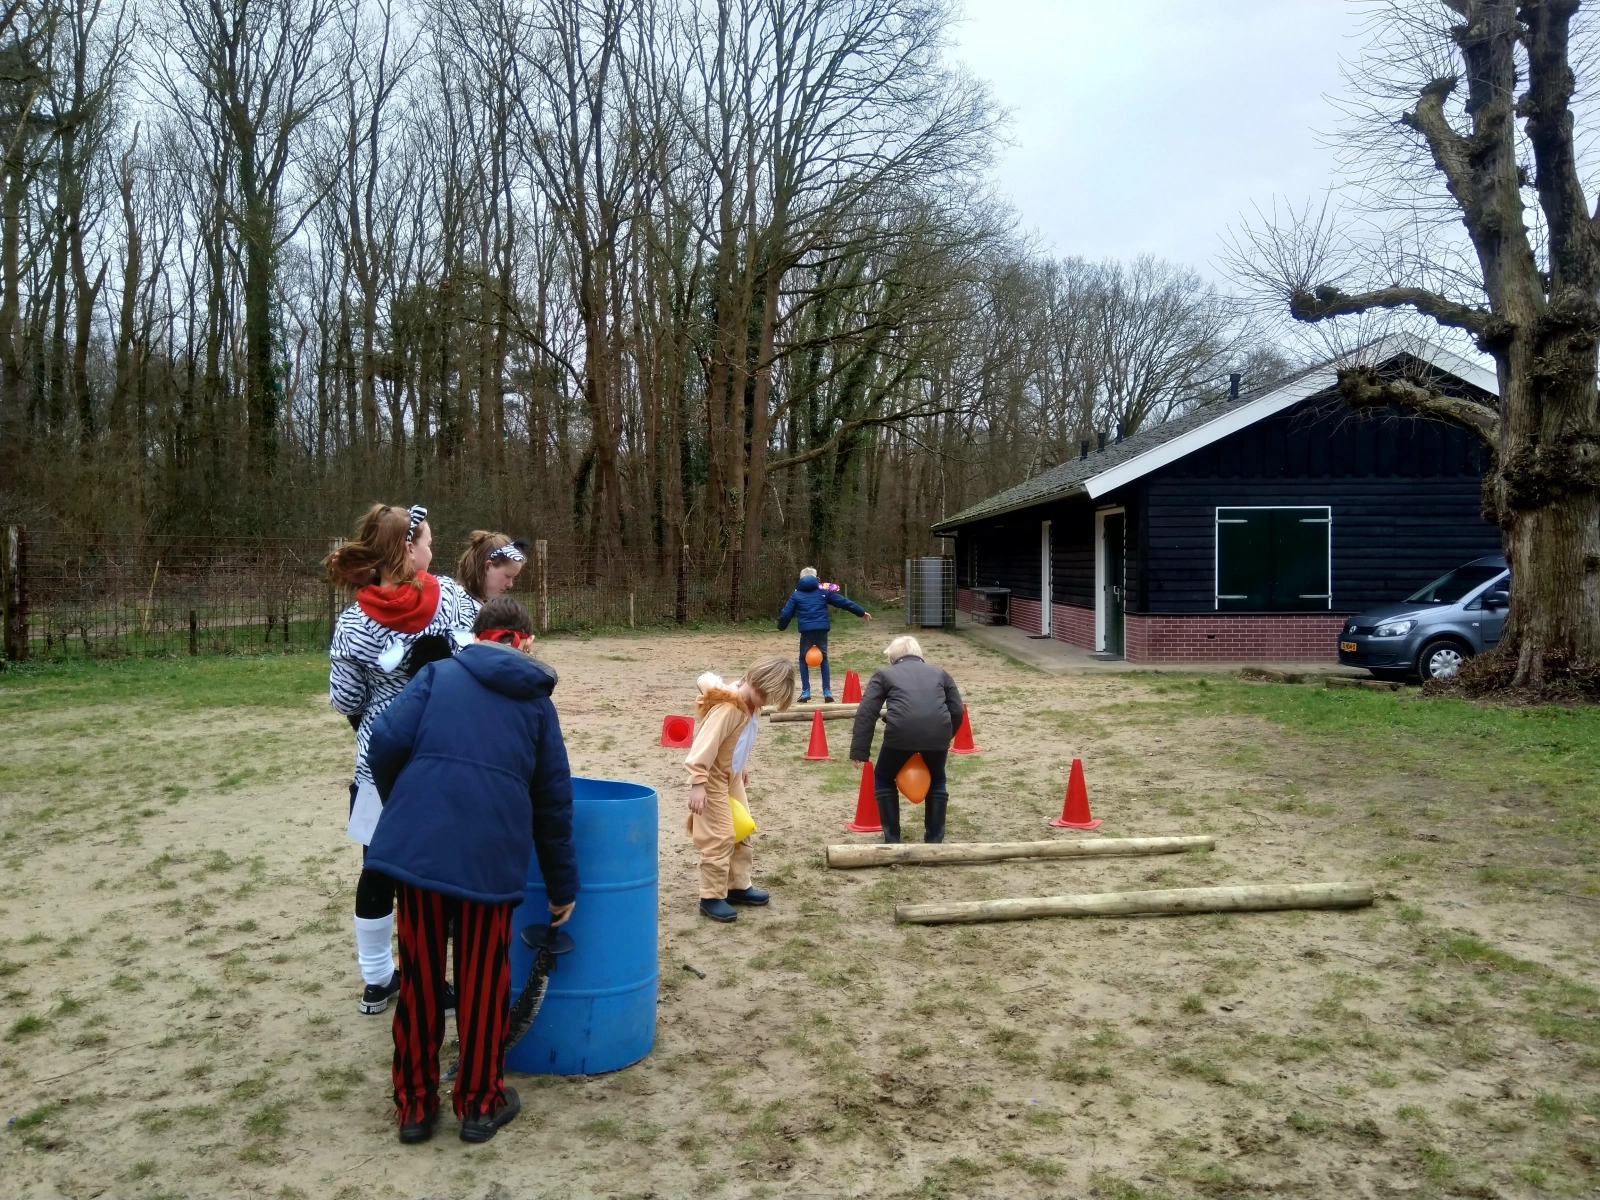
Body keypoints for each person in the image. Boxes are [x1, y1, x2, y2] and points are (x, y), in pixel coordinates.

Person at [365, 596, 577, 1145]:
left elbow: (384, 741)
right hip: (489, 860)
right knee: (484, 984)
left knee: (419, 979)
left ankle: (414, 1106)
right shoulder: (536, 702)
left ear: (477, 635)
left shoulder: (437, 674)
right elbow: (553, 804)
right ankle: (479, 1105)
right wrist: (562, 887)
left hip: (420, 856)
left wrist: (406, 802)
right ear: (526, 642)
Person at [326, 504, 473, 1016]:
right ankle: (435, 981)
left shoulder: (352, 623)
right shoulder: (452, 598)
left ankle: (376, 979)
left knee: (377, 865)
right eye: (428, 542)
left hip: (378, 764)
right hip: (446, 754)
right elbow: (475, 658)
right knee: (439, 871)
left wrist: (378, 715)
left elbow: (344, 698)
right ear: (408, 550)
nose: (433, 551)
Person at [684, 655, 796, 922]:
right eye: (769, 696)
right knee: (720, 835)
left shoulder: (750, 705)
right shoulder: (729, 708)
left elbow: (738, 740)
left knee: (742, 827)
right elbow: (704, 745)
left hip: (730, 775)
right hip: (711, 777)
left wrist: (741, 764)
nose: (768, 703)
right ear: (759, 684)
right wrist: (698, 783)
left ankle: (738, 885)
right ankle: (711, 896)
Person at [849, 636, 964, 845]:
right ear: (920, 655)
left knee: (884, 776)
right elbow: (957, 710)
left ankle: (892, 838)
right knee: (937, 778)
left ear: (892, 659)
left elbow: (867, 711)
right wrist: (946, 736)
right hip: (937, 735)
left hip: (899, 735)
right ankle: (934, 840)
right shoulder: (940, 673)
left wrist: (859, 750)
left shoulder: (884, 674)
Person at [776, 567, 871, 702]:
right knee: (824, 659)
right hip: (822, 629)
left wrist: (781, 627)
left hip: (806, 631)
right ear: (816, 578)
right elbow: (843, 602)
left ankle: (805, 691)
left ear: (801, 579)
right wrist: (861, 612)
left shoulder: (796, 595)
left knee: (803, 659)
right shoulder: (823, 592)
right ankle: (827, 691)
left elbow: (786, 614)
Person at [455, 531, 528, 625]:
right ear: (488, 566)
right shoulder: (457, 607)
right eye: (508, 576)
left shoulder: (483, 608)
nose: (510, 584)